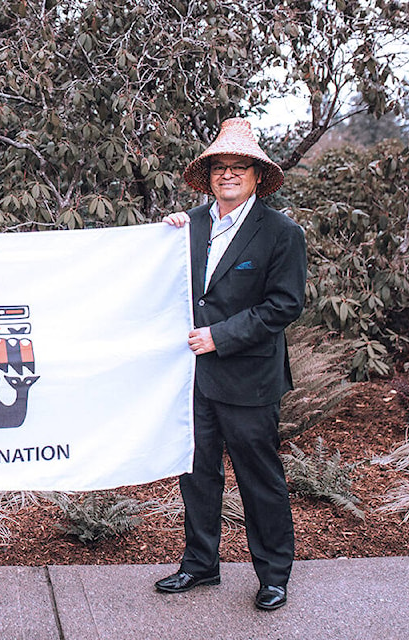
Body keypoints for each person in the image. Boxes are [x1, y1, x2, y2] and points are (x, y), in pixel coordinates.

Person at [155, 118, 306, 611]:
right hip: (192, 379)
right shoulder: (189, 227)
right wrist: (160, 238)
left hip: (248, 377)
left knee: (259, 477)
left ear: (257, 175)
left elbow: (284, 305)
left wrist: (220, 337)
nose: (228, 174)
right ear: (209, 175)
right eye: (220, 167)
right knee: (197, 474)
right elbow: (164, 281)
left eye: (239, 167)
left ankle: (274, 575)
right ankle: (200, 565)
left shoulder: (282, 233)